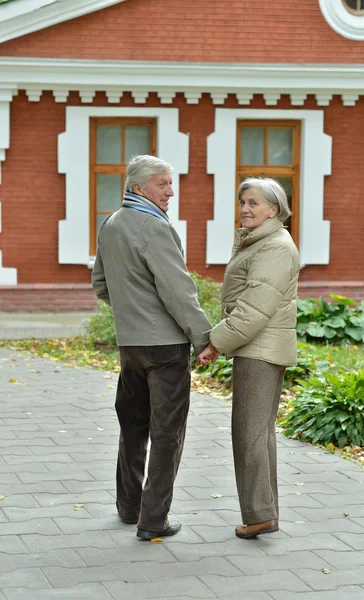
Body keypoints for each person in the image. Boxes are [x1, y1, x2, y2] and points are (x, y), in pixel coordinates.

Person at [92, 155, 218, 541]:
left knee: (133, 426)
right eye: (163, 184)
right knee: (167, 434)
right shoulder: (154, 228)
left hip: (130, 346)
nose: (171, 191)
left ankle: (129, 507)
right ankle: (153, 521)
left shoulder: (110, 224)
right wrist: (204, 337)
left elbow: (100, 285)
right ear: (137, 187)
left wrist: (133, 314)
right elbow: (178, 292)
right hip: (165, 349)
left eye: (171, 183)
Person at [208, 177, 300, 539]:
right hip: (256, 346)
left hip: (259, 348)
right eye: (243, 201)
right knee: (257, 433)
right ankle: (265, 512)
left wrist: (215, 342)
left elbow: (254, 310)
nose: (245, 209)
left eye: (254, 203)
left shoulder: (274, 246)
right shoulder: (260, 241)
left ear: (273, 210)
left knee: (249, 433)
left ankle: (260, 515)